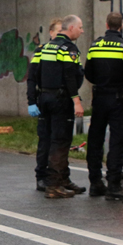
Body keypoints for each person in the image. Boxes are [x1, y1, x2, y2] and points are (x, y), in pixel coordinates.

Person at [27, 15, 86, 199]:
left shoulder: (44, 48)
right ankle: (53, 184)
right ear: (70, 29)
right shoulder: (68, 48)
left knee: (51, 140)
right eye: (80, 27)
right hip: (60, 99)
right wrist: (76, 99)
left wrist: (34, 99)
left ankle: (62, 179)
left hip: (45, 98)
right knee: (59, 141)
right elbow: (70, 75)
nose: (82, 31)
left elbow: (36, 75)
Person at [84, 12, 123, 200]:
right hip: (117, 98)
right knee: (117, 140)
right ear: (121, 26)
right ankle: (113, 184)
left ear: (106, 24)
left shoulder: (95, 45)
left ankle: (95, 182)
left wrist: (100, 83)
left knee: (95, 139)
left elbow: (88, 72)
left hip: (99, 97)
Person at [32, 18, 63, 191]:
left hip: (61, 100)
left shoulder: (66, 50)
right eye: (57, 31)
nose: (60, 35)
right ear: (51, 33)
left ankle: (57, 177)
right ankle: (41, 176)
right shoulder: (41, 51)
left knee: (59, 140)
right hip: (45, 99)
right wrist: (31, 101)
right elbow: (32, 77)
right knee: (45, 140)